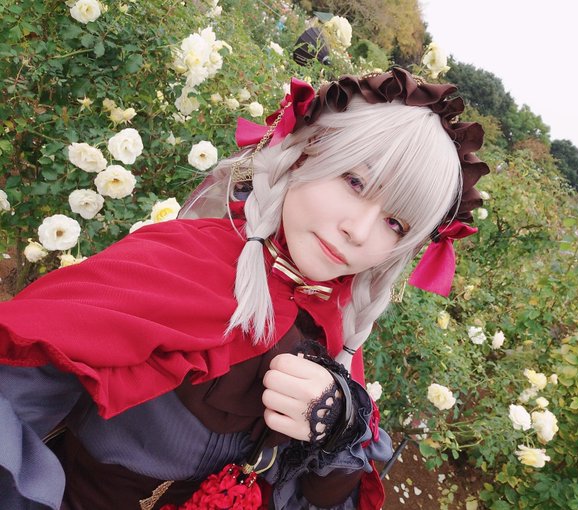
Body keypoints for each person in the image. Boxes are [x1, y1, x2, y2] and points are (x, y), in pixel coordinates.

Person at [0, 67, 488, 509]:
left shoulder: (336, 321)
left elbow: (323, 497)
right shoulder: (179, 260)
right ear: (304, 154)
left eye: (396, 223)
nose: (358, 231)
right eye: (355, 182)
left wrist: (339, 421)